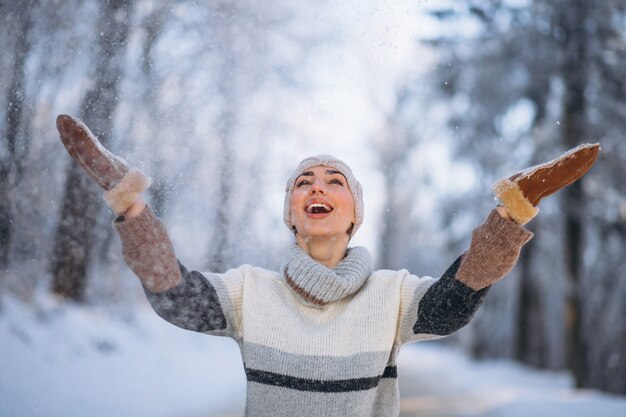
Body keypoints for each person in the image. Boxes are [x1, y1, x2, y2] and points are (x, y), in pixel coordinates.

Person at [55, 114, 599, 417]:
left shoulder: (392, 295)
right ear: (292, 214)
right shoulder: (249, 292)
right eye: (303, 183)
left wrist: (510, 212)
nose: (318, 186)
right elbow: (172, 293)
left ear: (355, 215)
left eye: (335, 182)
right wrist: (129, 203)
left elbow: (456, 301)